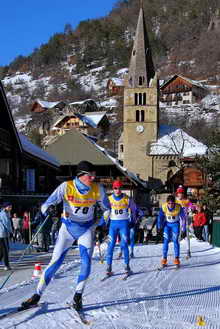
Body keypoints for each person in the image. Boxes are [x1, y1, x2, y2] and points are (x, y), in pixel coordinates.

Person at [21, 161, 110, 311]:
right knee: (54, 263)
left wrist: (102, 225)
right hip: (67, 230)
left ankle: (77, 297)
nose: (93, 178)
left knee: (86, 263)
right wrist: (49, 210)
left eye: (94, 175)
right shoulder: (66, 187)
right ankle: (36, 295)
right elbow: (45, 205)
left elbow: (107, 209)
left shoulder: (97, 189)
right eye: (91, 175)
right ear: (81, 175)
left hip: (85, 230)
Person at [105, 180, 137, 275]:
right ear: (113, 189)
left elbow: (135, 210)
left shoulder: (127, 199)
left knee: (124, 245)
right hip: (113, 226)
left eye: (119, 188)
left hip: (124, 225)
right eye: (115, 188)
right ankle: (108, 267)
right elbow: (105, 212)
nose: (117, 190)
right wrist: (102, 224)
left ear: (121, 189)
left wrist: (133, 222)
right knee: (110, 246)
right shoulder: (109, 199)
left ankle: (127, 266)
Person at [157, 195, 186, 268]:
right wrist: (159, 226)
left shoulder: (178, 207)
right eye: (169, 203)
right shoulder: (164, 207)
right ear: (167, 203)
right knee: (165, 241)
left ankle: (176, 258)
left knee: (175, 241)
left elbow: (183, 218)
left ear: (174, 203)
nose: (170, 205)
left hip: (175, 225)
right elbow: (160, 217)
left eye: (172, 203)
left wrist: (183, 229)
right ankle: (164, 259)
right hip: (167, 225)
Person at [0, 202, 13, 270]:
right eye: (9, 207)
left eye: (11, 207)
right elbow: (7, 223)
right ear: (5, 207)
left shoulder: (6, 213)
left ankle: (6, 264)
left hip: (3, 233)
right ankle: (6, 265)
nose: (10, 208)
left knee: (2, 251)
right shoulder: (3, 213)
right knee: (5, 250)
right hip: (2, 234)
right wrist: (11, 232)